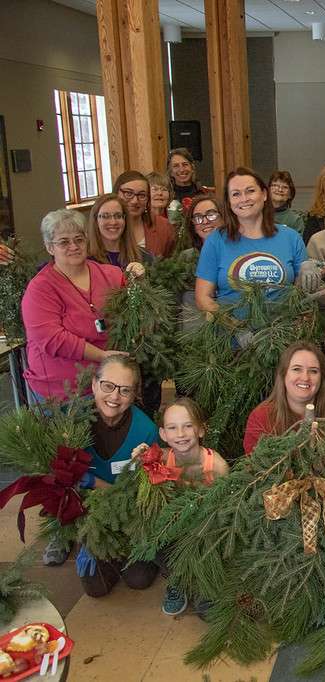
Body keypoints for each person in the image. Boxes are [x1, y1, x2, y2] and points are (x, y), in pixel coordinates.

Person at [22, 210, 128, 404]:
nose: (73, 246)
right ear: (49, 248)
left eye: (79, 239)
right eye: (63, 242)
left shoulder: (112, 275)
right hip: (62, 393)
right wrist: (102, 356)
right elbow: (52, 339)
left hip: (111, 383)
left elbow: (133, 315)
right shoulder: (40, 289)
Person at [75, 355, 160, 592]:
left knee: (138, 580)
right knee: (96, 588)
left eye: (125, 390)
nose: (114, 397)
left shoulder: (146, 431)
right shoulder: (70, 419)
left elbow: (147, 488)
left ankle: (131, 553)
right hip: (90, 515)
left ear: (135, 395)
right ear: (94, 384)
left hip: (129, 514)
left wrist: (98, 484)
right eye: (108, 386)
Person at [150, 397, 228, 615]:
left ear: (201, 430)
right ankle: (176, 579)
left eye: (188, 426)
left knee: (208, 610)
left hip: (205, 534)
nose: (181, 434)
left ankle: (200, 580)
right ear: (163, 434)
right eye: (172, 428)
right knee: (153, 540)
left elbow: (225, 511)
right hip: (174, 530)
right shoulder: (163, 460)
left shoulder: (218, 466)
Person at [194, 168, 306, 316]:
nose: (244, 199)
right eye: (236, 194)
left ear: (264, 194)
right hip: (232, 335)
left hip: (282, 334)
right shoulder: (216, 241)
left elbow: (302, 293)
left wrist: (309, 271)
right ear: (229, 202)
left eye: (250, 191)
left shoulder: (291, 238)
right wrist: (233, 327)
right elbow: (203, 297)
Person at [244, 341, 325, 454]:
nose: (305, 377)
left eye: (313, 371)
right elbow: (254, 466)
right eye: (296, 369)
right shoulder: (261, 417)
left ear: (322, 378)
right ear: (283, 374)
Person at [114, 171, 177, 258]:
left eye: (142, 195)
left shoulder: (163, 226)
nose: (135, 201)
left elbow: (173, 264)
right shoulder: (105, 226)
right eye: (128, 194)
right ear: (116, 193)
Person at [85, 194, 150, 269]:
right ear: (95, 220)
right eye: (105, 216)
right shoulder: (85, 260)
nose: (113, 222)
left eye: (118, 216)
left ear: (125, 220)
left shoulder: (145, 257)